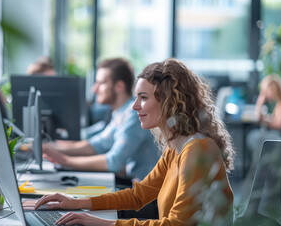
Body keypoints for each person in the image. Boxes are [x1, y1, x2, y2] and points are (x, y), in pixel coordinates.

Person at [34, 58, 235, 225]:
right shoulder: (176, 147)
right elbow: (139, 195)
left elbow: (175, 224)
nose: (135, 106)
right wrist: (77, 202)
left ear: (169, 102)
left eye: (143, 98)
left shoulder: (197, 149)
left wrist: (102, 223)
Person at [42, 58, 160, 183]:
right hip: (135, 186)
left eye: (101, 83)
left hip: (146, 194)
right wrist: (50, 148)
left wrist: (64, 160)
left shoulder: (134, 113)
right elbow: (96, 145)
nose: (94, 89)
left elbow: (114, 162)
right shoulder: (120, 113)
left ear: (119, 86)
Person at [247, 74, 281, 152]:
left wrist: (265, 120)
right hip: (278, 134)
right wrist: (260, 102)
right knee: (253, 135)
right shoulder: (279, 105)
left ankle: (265, 160)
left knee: (253, 137)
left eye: (266, 91)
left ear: (273, 89)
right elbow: (275, 121)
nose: (265, 95)